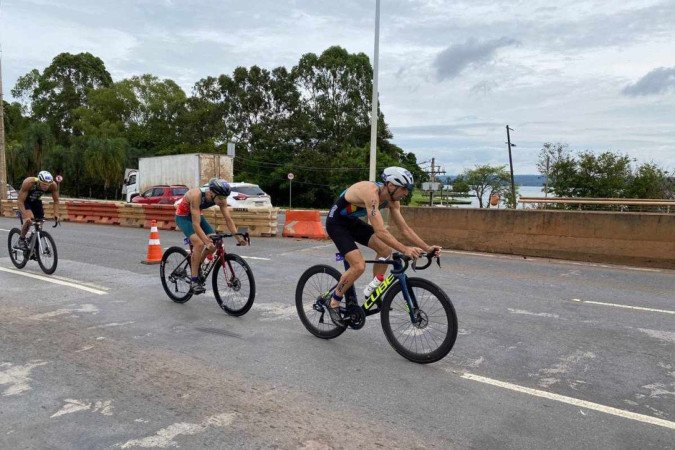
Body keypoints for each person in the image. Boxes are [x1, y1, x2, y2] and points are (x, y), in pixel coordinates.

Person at [324, 166, 441, 326]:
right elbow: (379, 231)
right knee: (358, 266)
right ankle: (334, 302)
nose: (406, 193)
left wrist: (427, 248)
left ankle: (373, 290)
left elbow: (405, 229)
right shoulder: (370, 193)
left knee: (385, 251)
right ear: (391, 185)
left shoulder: (393, 201)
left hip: (352, 223)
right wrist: (405, 249)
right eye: (405, 189)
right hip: (336, 223)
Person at [175, 178, 247, 294]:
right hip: (184, 217)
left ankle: (197, 266)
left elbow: (228, 219)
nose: (222, 201)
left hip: (198, 215)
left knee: (214, 243)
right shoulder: (196, 195)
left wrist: (238, 237)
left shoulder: (220, 197)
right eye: (220, 198)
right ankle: (194, 281)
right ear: (211, 192)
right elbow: (196, 224)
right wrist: (205, 241)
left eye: (224, 198)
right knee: (199, 243)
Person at [15, 171, 61, 249]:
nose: (46, 187)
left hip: (36, 201)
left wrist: (56, 214)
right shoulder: (29, 182)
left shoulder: (53, 185)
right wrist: (26, 216)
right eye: (43, 184)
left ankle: (34, 245)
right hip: (25, 201)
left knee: (40, 223)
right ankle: (21, 239)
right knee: (29, 220)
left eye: (47, 185)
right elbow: (20, 201)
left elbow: (56, 201)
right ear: (39, 181)